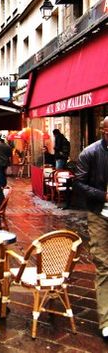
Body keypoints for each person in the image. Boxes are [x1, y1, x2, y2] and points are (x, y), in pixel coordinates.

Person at [74, 116, 108, 339]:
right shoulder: (90, 153)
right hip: (99, 214)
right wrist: (103, 195)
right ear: (104, 130)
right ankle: (106, 320)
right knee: (104, 265)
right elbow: (78, 182)